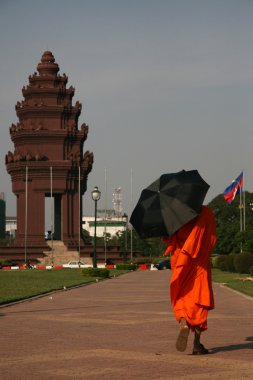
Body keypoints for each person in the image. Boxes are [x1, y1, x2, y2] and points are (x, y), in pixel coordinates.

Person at [163, 206, 216, 355]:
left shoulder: (174, 214)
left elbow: (170, 239)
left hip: (181, 261)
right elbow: (211, 238)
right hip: (199, 264)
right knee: (199, 302)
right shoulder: (205, 212)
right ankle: (197, 344)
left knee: (181, 297)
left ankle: (184, 324)